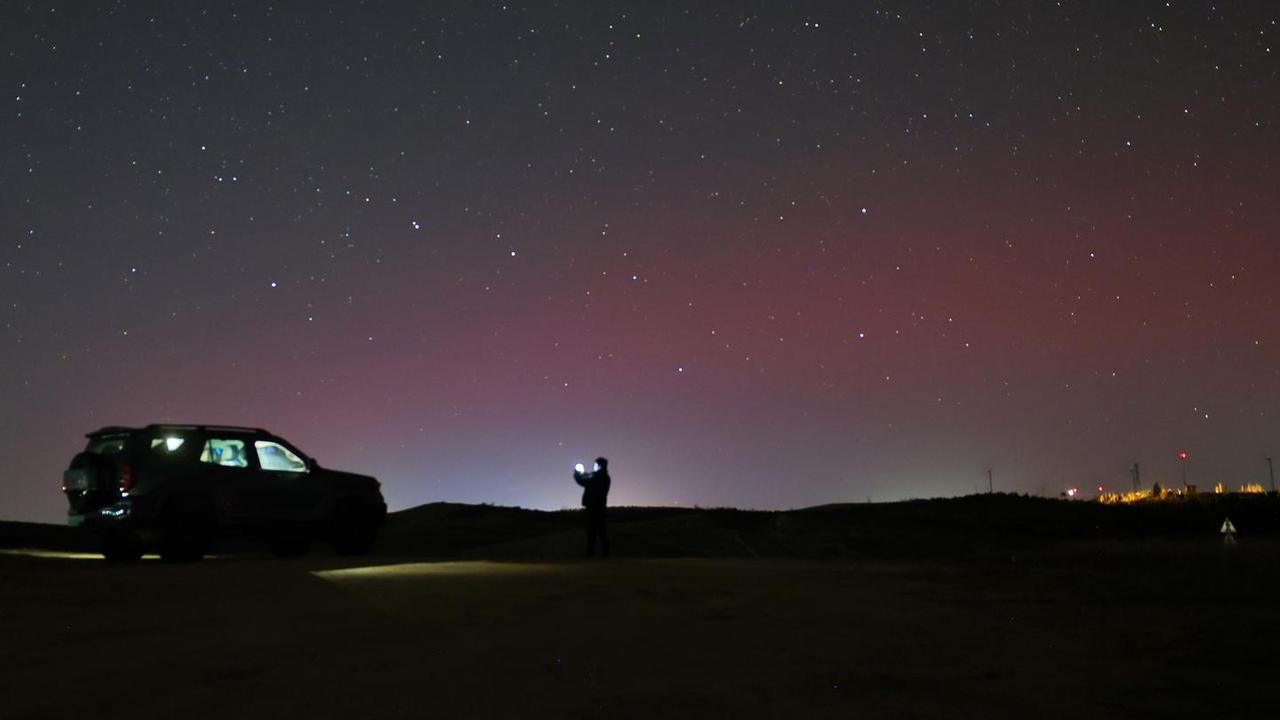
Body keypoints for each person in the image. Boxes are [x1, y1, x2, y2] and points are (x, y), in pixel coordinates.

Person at [573, 457, 611, 558]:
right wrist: (583, 473)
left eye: (595, 464)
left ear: (599, 466)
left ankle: (590, 554)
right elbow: (588, 478)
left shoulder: (596, 476)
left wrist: (577, 473)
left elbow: (584, 481)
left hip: (593, 508)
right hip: (600, 507)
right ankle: (605, 554)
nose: (593, 466)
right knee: (601, 531)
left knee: (592, 532)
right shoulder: (605, 477)